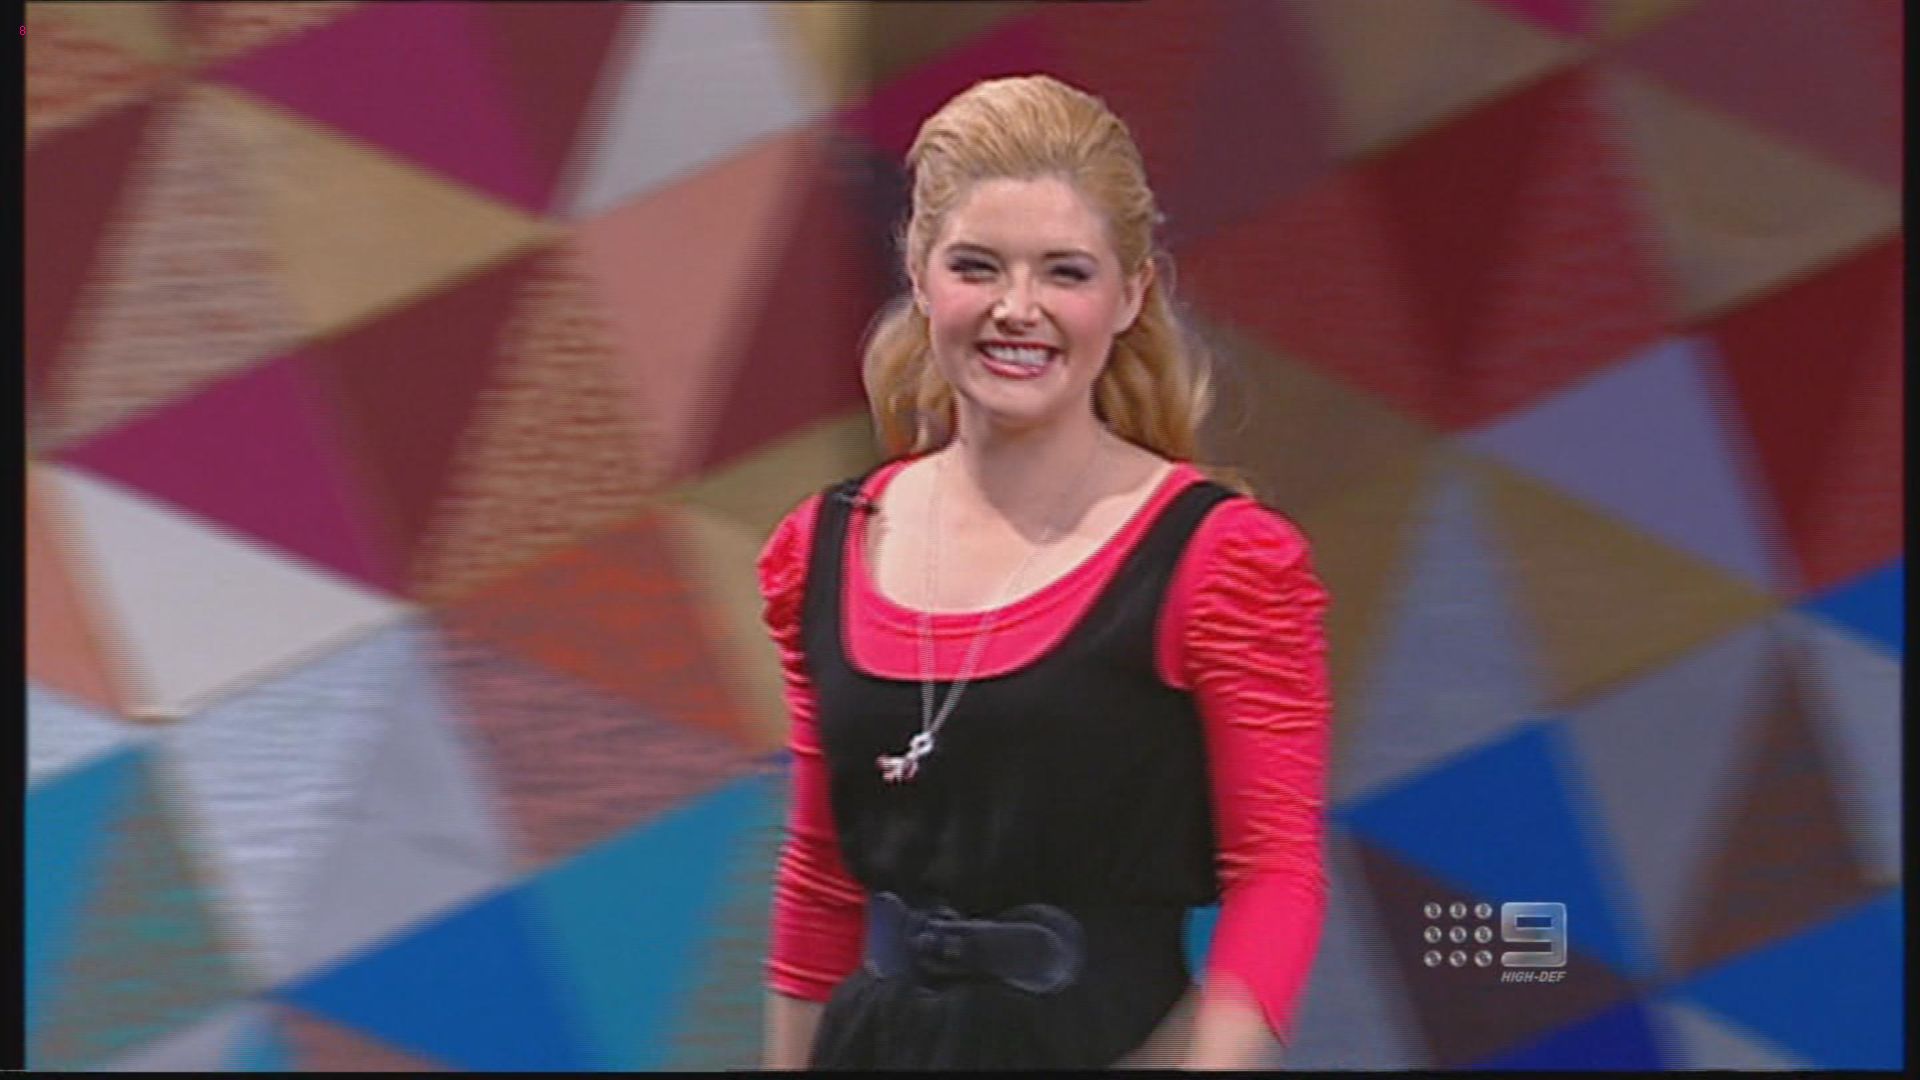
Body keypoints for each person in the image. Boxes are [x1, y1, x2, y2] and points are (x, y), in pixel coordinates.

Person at [756, 74, 1331, 1070]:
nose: (1017, 310)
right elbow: (820, 882)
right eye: (977, 267)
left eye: (1065, 273)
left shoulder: (1221, 559)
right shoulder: (822, 548)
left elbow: (1275, 877)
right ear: (919, 273)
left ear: (1131, 294)